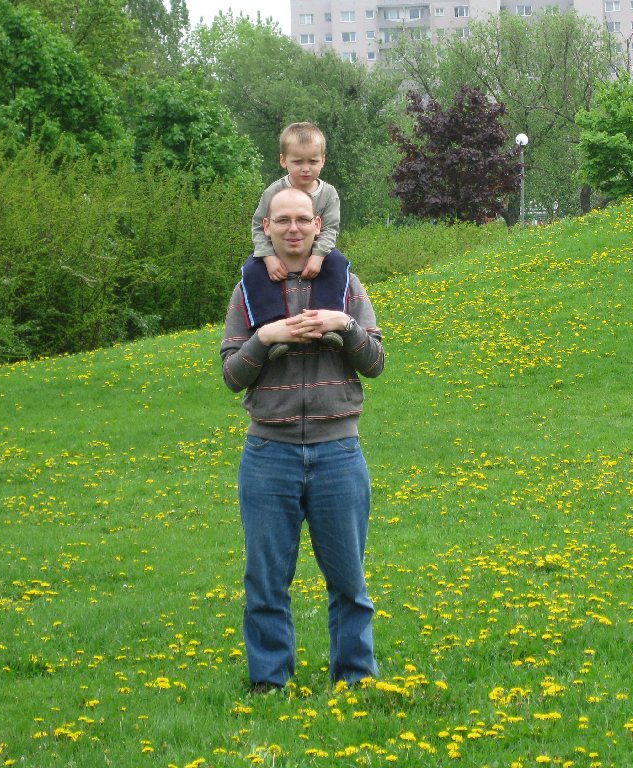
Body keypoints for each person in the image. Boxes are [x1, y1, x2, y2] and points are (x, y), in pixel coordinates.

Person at [220, 186, 385, 693]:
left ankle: (355, 679)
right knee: (266, 581)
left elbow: (376, 363)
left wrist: (344, 325)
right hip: (269, 452)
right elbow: (232, 376)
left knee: (349, 580)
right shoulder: (248, 291)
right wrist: (265, 339)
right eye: (282, 220)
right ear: (266, 228)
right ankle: (270, 682)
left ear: (318, 225)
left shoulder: (346, 285)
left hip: (339, 451)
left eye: (301, 220)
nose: (293, 229)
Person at [241, 122, 349, 360]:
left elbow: (330, 228)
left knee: (338, 263)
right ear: (284, 160)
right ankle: (271, 329)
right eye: (298, 162)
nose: (306, 169)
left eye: (313, 161)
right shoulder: (273, 192)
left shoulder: (329, 194)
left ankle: (328, 325)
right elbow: (259, 226)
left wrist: (318, 256)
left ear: (323, 160)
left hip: (318, 250)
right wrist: (268, 257)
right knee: (251, 269)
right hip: (278, 252)